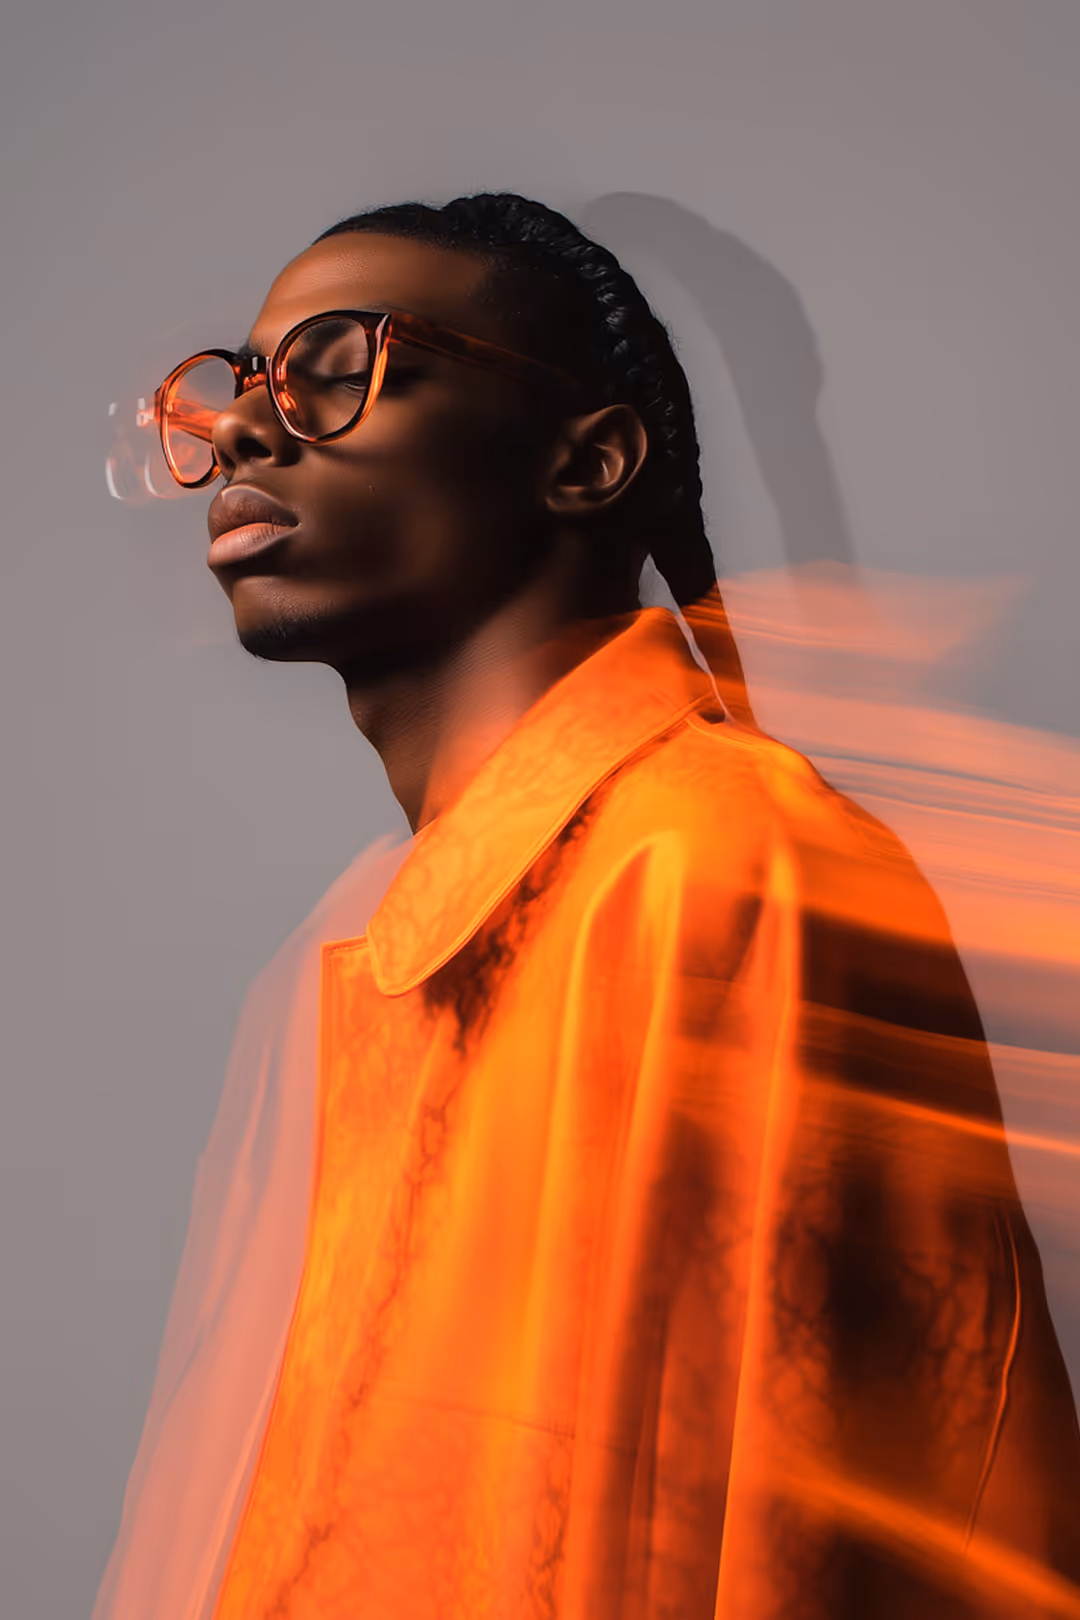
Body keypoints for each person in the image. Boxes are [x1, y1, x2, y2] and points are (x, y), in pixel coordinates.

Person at [97, 193, 1080, 1620]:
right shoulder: (361, 953)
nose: (247, 429)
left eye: (337, 369)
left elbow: (799, 1530)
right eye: (239, 389)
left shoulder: (719, 864)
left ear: (588, 462)